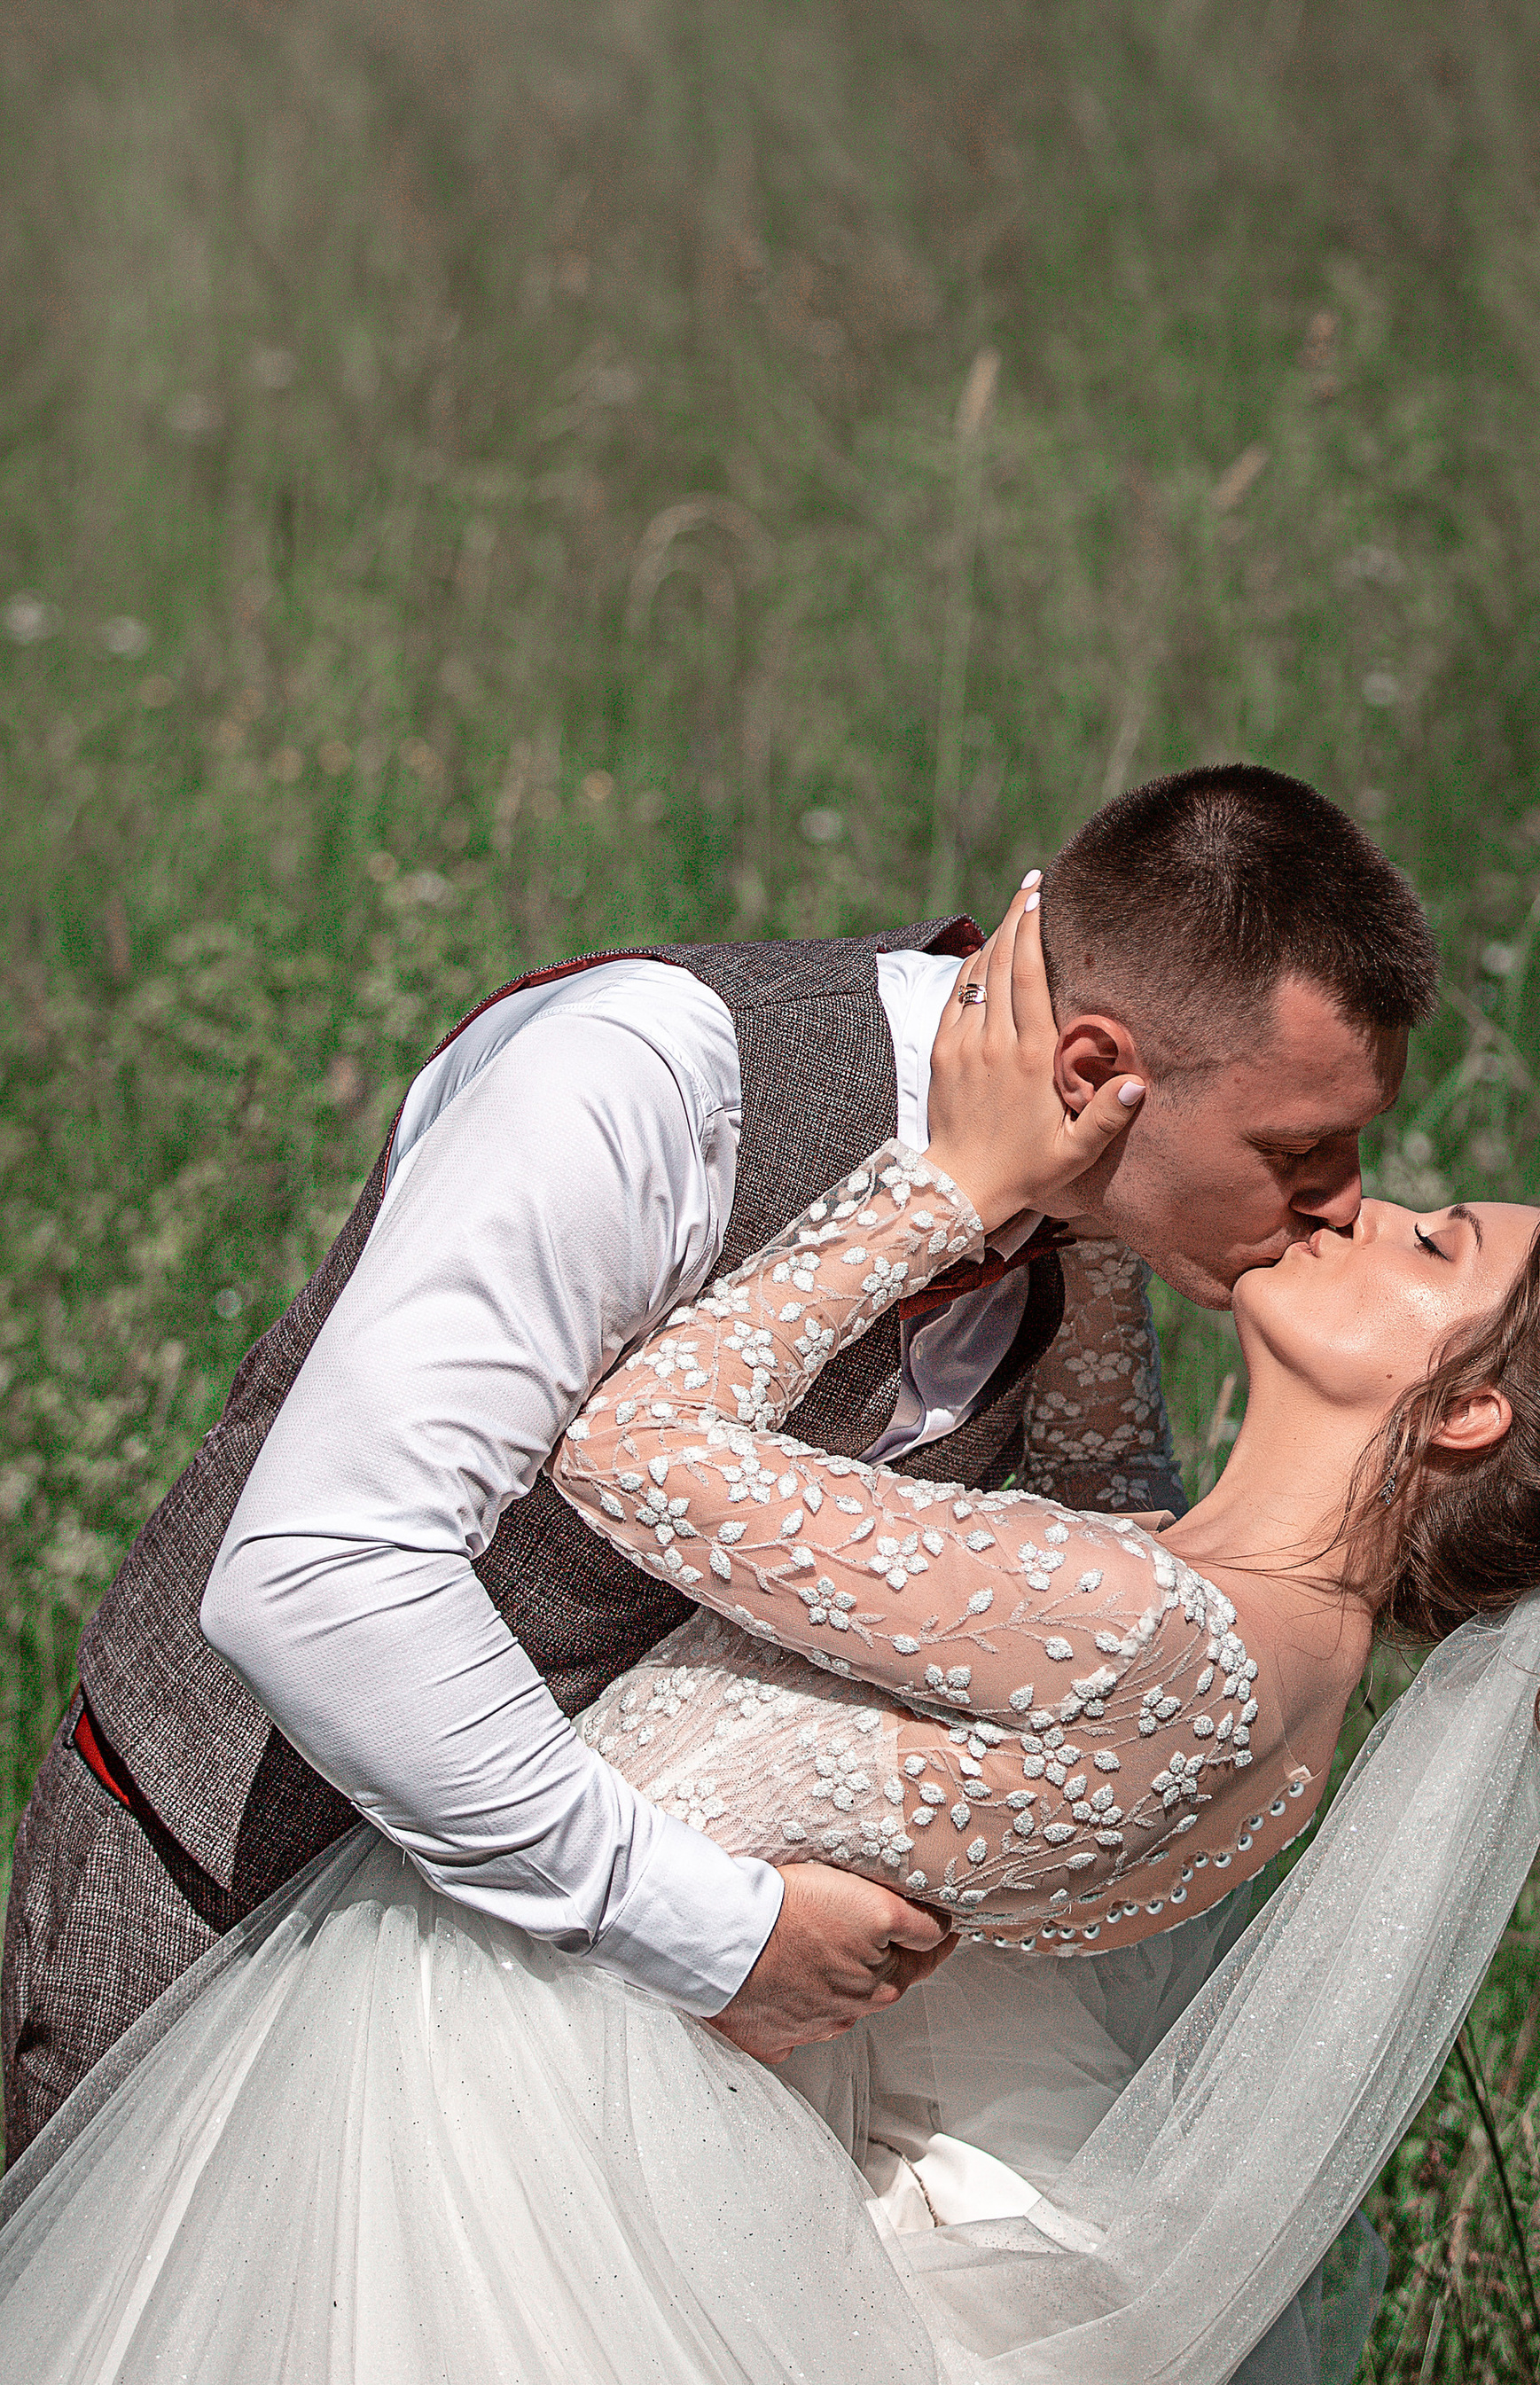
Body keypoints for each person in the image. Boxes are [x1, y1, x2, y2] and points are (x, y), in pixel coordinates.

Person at [0, 885, 1540, 2385]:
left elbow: (632, 1449)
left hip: (497, 2113)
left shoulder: (1139, 1632)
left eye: (1421, 1241)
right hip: (638, 2106)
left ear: (1461, 1411)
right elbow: (1088, 1483)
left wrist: (949, 1186)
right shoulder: (1233, 1641)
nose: (1346, 1202)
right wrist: (1095, 1184)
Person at [2, 765, 1434, 2156]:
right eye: (1300, 1147)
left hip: (575, 2069)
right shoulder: (652, 1084)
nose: (1344, 1199)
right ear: (1095, 1073)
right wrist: (712, 1931)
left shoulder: (1092, 1236)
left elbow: (1072, 1580)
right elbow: (323, 1572)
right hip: (222, 1896)